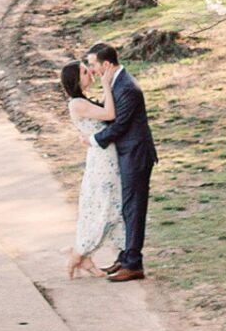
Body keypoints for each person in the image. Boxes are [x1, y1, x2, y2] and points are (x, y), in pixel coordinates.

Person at [86, 41, 157, 281]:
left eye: (93, 64)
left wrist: (94, 139)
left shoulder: (127, 87)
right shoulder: (115, 83)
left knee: (134, 207)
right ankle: (125, 256)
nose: (91, 69)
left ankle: (134, 263)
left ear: (106, 64)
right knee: (126, 206)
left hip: (136, 155)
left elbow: (119, 125)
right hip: (128, 154)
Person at [59, 59, 124, 279]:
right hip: (103, 159)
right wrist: (107, 84)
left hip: (105, 155)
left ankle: (84, 253)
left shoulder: (82, 101)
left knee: (111, 204)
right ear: (76, 80)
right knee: (104, 205)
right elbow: (109, 115)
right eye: (85, 72)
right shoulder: (76, 103)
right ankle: (79, 253)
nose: (91, 74)